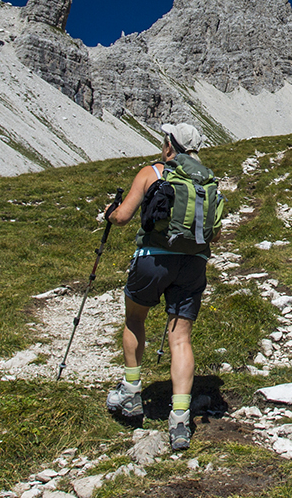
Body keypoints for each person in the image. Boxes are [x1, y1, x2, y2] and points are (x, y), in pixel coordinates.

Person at [104, 122, 210, 451]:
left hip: (152, 259)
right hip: (193, 262)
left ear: (169, 146)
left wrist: (108, 214)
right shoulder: (205, 178)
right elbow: (213, 231)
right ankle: (180, 418)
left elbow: (122, 217)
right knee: (181, 338)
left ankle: (131, 391)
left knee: (135, 318)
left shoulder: (152, 172)